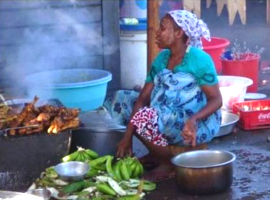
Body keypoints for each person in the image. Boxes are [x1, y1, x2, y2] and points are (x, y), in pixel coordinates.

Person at [104, 10, 222, 179]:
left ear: (178, 33)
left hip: (194, 124)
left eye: (162, 28)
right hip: (163, 114)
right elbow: (143, 98)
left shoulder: (200, 60)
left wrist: (194, 120)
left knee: (145, 117)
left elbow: (216, 100)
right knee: (120, 100)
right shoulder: (161, 59)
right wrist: (127, 137)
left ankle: (168, 163)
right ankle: (157, 154)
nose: (157, 32)